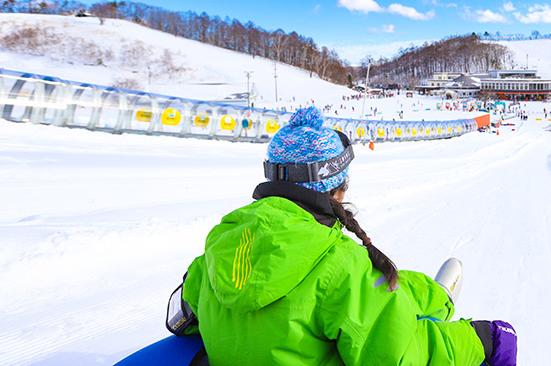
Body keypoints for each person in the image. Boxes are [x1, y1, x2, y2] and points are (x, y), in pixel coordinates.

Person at [174, 106, 516, 366]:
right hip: (362, 308)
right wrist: (482, 339)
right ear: (337, 188)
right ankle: (437, 304)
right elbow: (397, 355)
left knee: (383, 293)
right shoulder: (341, 265)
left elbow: (187, 319)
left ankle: (430, 295)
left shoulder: (218, 248)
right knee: (378, 302)